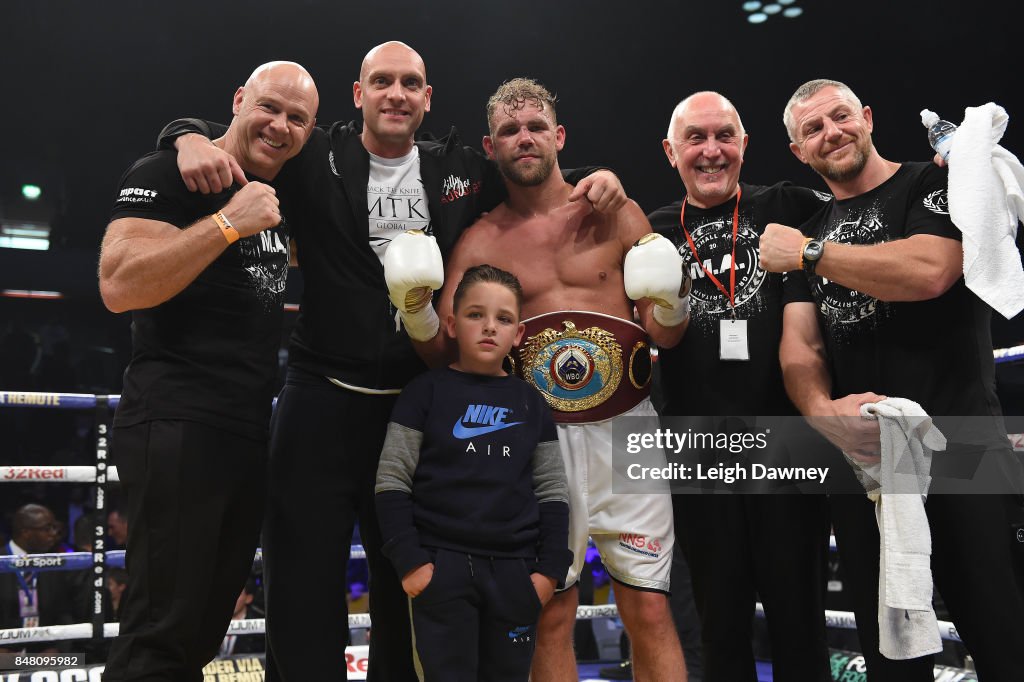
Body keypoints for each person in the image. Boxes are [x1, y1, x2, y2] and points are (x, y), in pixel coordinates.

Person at [157, 41, 626, 681]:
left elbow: (533, 171)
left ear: (427, 99)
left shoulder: (460, 167)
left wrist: (601, 179)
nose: (396, 94)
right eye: (382, 81)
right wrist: (183, 136)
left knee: (406, 580)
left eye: (411, 83)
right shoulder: (313, 153)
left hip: (415, 404)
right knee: (301, 578)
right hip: (320, 394)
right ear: (359, 94)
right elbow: (240, 135)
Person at [399, 77, 689, 681]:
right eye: (509, 130)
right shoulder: (481, 239)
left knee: (650, 606)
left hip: (628, 429)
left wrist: (672, 303)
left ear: (559, 136)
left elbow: (665, 332)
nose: (523, 138)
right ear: (490, 145)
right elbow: (445, 353)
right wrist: (414, 309)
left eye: (535, 127)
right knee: (550, 611)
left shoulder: (615, 212)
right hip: (540, 440)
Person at [759, 78, 1024, 681]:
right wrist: (823, 415)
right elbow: (800, 347)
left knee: (1003, 634)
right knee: (892, 661)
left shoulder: (932, 183)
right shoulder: (813, 222)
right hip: (868, 465)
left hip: (963, 451)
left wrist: (810, 253)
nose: (832, 132)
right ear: (799, 152)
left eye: (841, 116)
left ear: (868, 117)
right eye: (813, 129)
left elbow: (931, 270)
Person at [97, 61, 319, 682]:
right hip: (176, 419)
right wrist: (226, 223)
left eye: (297, 118)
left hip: (244, 430)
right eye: (268, 107)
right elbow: (118, 286)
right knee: (160, 633)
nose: (279, 126)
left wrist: (186, 129)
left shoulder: (281, 188)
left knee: (199, 634)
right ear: (239, 100)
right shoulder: (167, 172)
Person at [646, 91, 831, 681]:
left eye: (724, 135)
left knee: (800, 622)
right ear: (670, 152)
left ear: (745, 145)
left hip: (788, 448)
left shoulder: (790, 205)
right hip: (697, 454)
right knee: (717, 628)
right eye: (695, 138)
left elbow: (866, 198)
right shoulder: (647, 233)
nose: (711, 150)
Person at [375, 265, 570, 681]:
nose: (489, 327)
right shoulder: (423, 393)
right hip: (440, 571)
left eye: (503, 319)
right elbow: (392, 481)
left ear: (518, 334)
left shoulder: (532, 404)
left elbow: (553, 491)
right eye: (475, 314)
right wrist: (412, 564)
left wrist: (548, 574)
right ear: (451, 324)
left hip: (516, 573)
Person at [0, 504, 75, 653]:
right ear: (26, 532)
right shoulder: (2, 561)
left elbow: (65, 612)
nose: (54, 534)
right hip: (4, 653)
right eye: (47, 529)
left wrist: (58, 649)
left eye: (55, 528)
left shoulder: (55, 564)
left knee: (76, 661)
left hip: (45, 653)